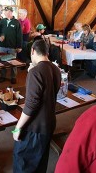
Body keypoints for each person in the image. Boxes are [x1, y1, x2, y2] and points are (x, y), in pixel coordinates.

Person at [12, 39, 61, 173]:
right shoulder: (56, 69)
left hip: (35, 127)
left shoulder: (35, 72)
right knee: (40, 162)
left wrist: (17, 127)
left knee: (23, 162)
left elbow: (31, 105)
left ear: (33, 51)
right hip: (49, 123)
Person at [0, 6, 23, 84]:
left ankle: (13, 77)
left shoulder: (16, 22)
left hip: (12, 46)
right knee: (3, 62)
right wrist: (0, 36)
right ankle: (3, 76)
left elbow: (19, 35)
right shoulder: (2, 21)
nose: (6, 13)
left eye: (8, 12)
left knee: (13, 62)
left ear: (11, 12)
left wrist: (19, 46)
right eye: (5, 12)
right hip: (2, 46)